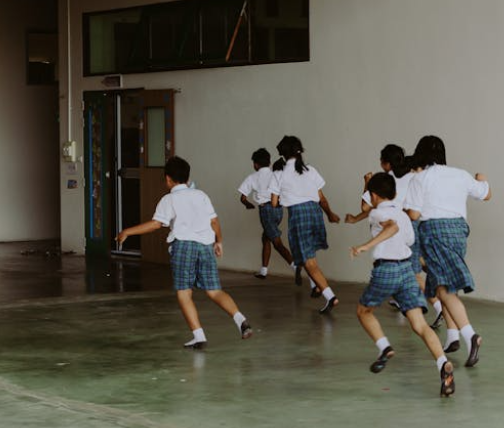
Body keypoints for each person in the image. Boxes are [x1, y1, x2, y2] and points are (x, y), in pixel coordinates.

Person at [117, 156, 253, 349]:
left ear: (168, 179)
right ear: (188, 178)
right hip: (206, 245)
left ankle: (199, 336)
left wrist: (127, 231)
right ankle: (241, 320)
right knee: (214, 291)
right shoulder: (201, 195)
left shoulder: (169, 199)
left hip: (184, 246)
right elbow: (214, 222)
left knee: (184, 293)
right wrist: (219, 241)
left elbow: (156, 224)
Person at [351, 172, 455, 398]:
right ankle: (442, 363)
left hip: (386, 269)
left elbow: (391, 228)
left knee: (363, 310)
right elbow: (408, 240)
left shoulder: (377, 213)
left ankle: (385, 348)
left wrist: (365, 246)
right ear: (395, 194)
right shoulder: (404, 215)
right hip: (406, 270)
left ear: (374, 195)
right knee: (420, 326)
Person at [345, 147, 459, 346]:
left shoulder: (385, 181)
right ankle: (444, 315)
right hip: (418, 223)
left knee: (413, 272)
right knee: (419, 267)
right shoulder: (413, 177)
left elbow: (368, 206)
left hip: (400, 227)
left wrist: (366, 183)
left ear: (386, 163)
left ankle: (439, 307)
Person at [405, 135, 492, 368]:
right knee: (442, 284)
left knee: (444, 290)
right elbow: (486, 193)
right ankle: (453, 336)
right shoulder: (460, 174)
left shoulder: (420, 178)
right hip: (459, 232)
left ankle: (470, 335)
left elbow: (413, 215)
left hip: (434, 232)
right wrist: (481, 178)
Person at [269, 135, 343, 314]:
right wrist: (330, 214)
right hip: (315, 212)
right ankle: (316, 285)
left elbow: (273, 202)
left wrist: (284, 200)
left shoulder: (279, 174)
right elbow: (322, 199)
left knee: (307, 261)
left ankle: (330, 296)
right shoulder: (310, 170)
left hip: (298, 215)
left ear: (282, 155)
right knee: (308, 256)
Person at [238, 148, 300, 282]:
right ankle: (263, 270)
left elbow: (242, 197)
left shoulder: (253, 177)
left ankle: (296, 267)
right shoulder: (275, 173)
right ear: (269, 161)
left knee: (277, 243)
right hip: (278, 210)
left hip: (266, 210)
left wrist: (248, 204)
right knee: (266, 237)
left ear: (255, 164)